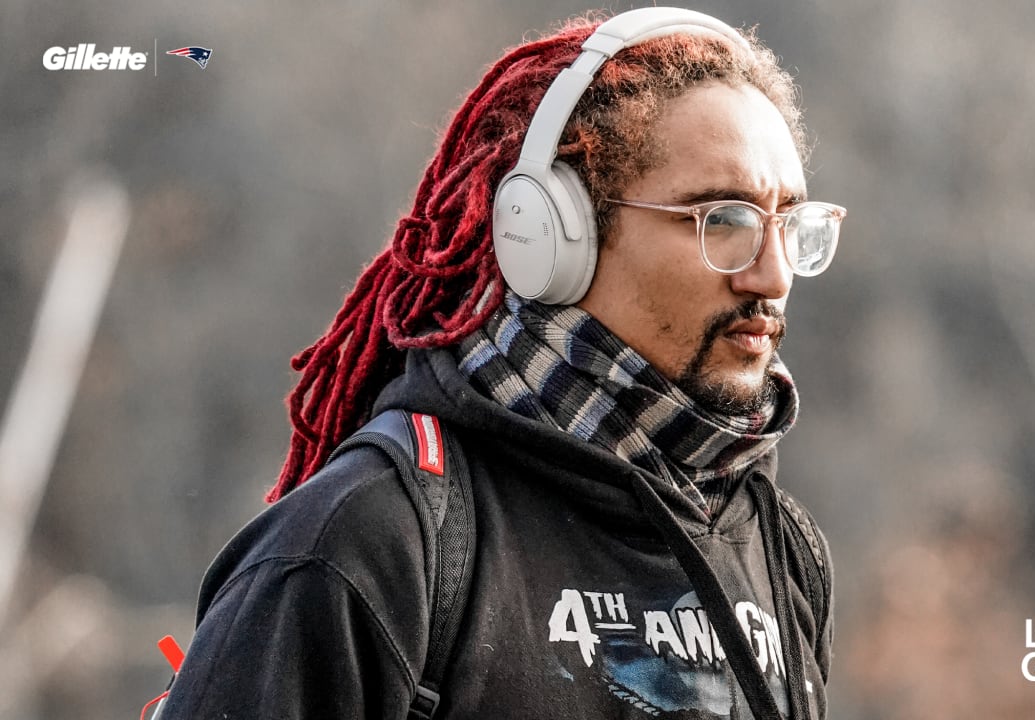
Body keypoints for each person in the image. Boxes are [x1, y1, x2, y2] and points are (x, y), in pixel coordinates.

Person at [160, 7, 842, 719]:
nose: (773, 275)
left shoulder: (781, 548)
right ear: (555, 233)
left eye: (791, 223)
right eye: (723, 220)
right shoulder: (369, 539)